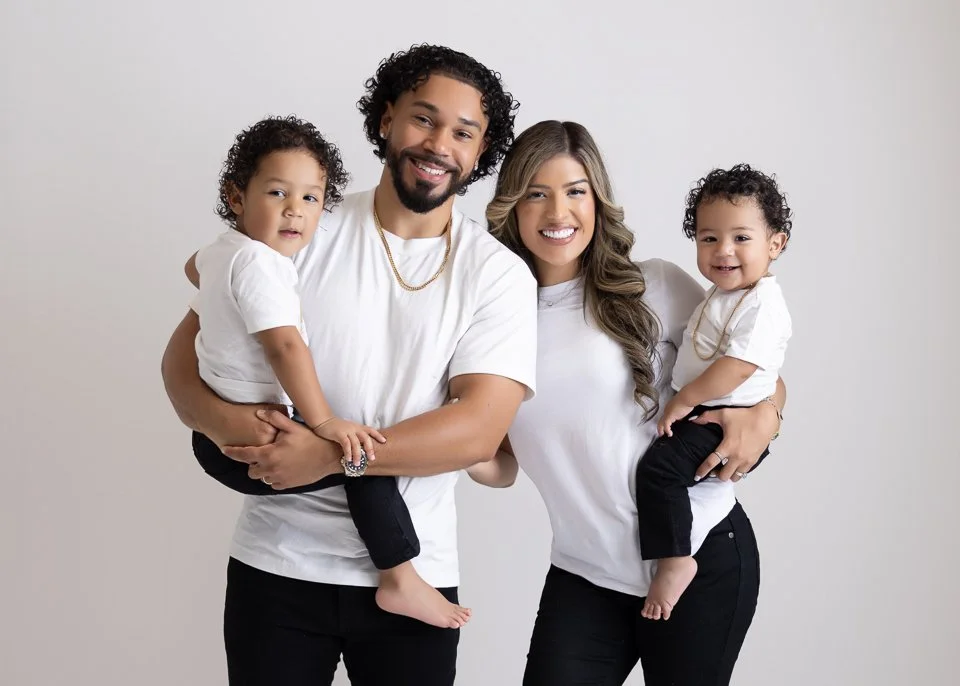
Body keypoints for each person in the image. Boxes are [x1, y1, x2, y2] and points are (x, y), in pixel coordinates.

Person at [160, 44, 535, 686]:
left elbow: (477, 431)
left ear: (480, 152)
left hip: (418, 574)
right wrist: (241, 430)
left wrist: (329, 453)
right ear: (386, 120)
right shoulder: (300, 225)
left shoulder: (497, 274)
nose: (439, 143)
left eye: (463, 132)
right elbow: (180, 368)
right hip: (277, 566)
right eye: (423, 118)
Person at [480, 120, 785, 686]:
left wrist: (766, 416)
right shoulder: (488, 320)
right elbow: (500, 463)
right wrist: (458, 451)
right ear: (512, 206)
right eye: (537, 194)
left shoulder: (655, 285)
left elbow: (754, 364)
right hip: (585, 576)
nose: (558, 213)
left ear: (598, 201)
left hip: (703, 557)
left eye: (576, 192)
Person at [184, 113, 474, 632]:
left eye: (311, 199)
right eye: (277, 194)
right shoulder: (263, 266)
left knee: (358, 458)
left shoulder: (226, 252)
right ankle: (401, 579)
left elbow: (193, 269)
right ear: (236, 197)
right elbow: (287, 348)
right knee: (363, 461)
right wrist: (326, 425)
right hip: (255, 439)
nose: (295, 212)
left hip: (216, 437)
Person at [636, 163, 792, 621]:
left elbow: (738, 367)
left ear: (775, 244)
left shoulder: (763, 304)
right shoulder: (719, 294)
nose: (723, 250)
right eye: (709, 238)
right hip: (710, 410)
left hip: (726, 415)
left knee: (661, 471)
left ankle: (676, 560)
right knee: (670, 473)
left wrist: (682, 400)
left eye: (741, 238)